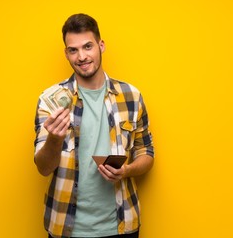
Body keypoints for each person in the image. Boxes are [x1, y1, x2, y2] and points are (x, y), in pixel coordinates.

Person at [34, 13, 154, 238]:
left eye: (88, 46)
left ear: (101, 45)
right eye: (73, 50)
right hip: (66, 227)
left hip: (123, 226)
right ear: (66, 54)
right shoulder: (50, 100)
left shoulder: (132, 96)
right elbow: (43, 167)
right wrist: (54, 139)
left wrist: (127, 170)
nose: (81, 56)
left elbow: (146, 153)